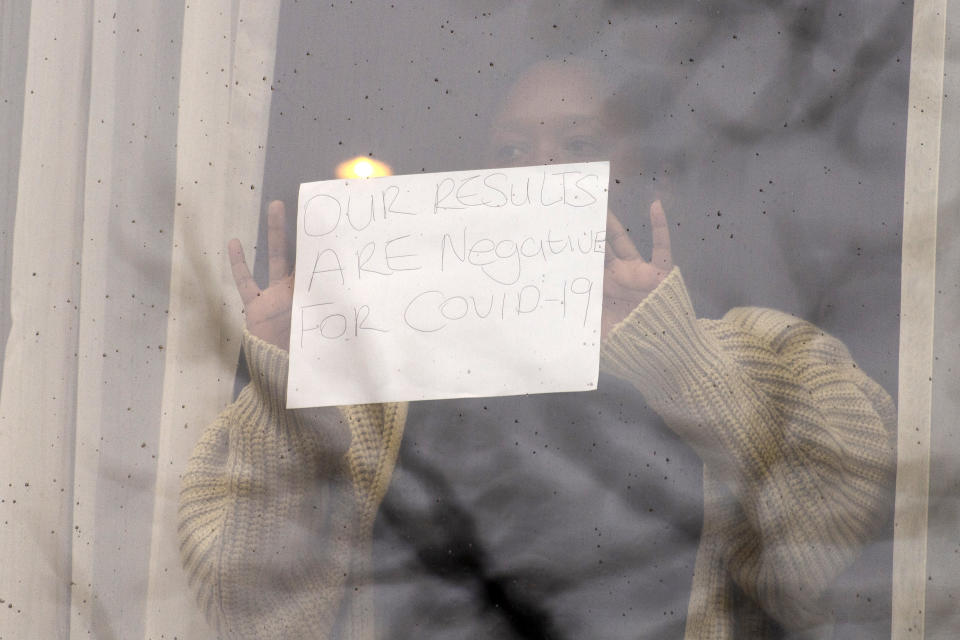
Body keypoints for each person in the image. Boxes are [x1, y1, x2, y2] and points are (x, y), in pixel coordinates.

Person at [177, 59, 896, 639]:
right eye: (511, 150)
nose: (543, 169)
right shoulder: (381, 387)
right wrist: (296, 393)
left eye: (581, 145)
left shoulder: (766, 350)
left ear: (654, 176)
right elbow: (247, 609)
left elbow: (828, 536)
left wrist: (673, 361)